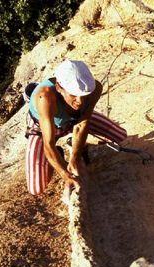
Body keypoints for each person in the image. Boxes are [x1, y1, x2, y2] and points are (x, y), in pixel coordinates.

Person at [25, 59, 127, 201]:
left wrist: (74, 158)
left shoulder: (94, 89)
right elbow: (48, 144)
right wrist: (65, 174)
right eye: (73, 94)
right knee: (36, 188)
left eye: (83, 95)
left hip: (73, 121)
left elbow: (82, 124)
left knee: (119, 135)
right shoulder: (46, 98)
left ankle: (74, 141)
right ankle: (57, 154)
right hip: (44, 128)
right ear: (59, 87)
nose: (80, 101)